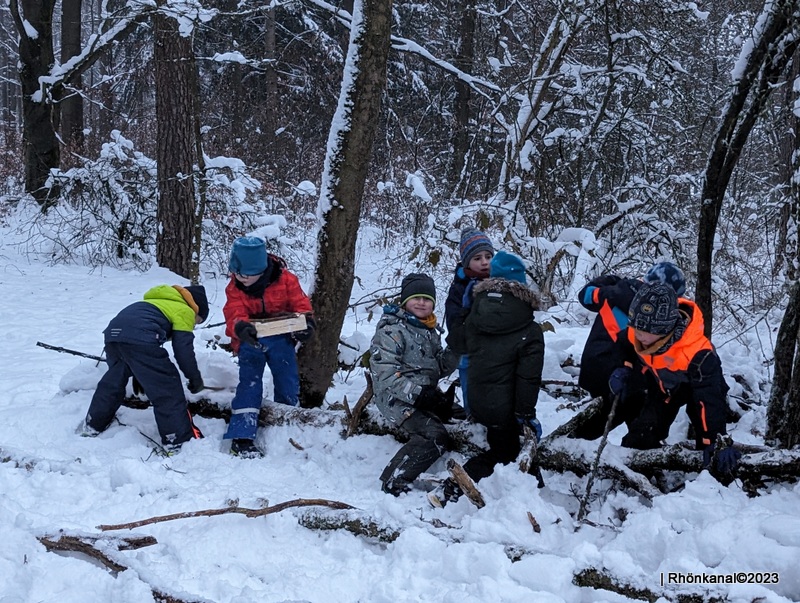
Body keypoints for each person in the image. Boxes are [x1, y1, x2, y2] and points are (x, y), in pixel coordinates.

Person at [434, 251, 545, 506]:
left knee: (512, 447)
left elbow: (457, 341)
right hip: (504, 409)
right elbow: (528, 378)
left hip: (477, 400)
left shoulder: (476, 312)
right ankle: (451, 488)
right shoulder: (529, 329)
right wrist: (525, 415)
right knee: (504, 451)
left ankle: (535, 485)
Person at [611, 282, 740, 478]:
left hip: (700, 387)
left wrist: (715, 440)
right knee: (642, 433)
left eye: (646, 332)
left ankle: (709, 475)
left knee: (705, 432)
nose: (639, 335)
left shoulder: (698, 353)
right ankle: (640, 469)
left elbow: (709, 400)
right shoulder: (637, 331)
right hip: (665, 386)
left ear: (665, 329)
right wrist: (624, 368)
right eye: (637, 329)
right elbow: (625, 345)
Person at [77, 284, 208, 451]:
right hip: (141, 339)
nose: (194, 325)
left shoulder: (151, 303)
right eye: (198, 321)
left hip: (112, 336)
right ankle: (177, 440)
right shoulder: (184, 310)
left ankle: (94, 424)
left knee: (112, 383)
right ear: (196, 309)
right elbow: (183, 351)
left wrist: (141, 373)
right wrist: (194, 377)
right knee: (167, 388)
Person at [223, 236, 315, 458]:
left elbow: (301, 306)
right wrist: (241, 328)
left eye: (246, 275)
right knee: (249, 383)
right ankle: (242, 436)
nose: (240, 278)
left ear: (260, 271)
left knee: (287, 378)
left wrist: (306, 323)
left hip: (281, 338)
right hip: (251, 340)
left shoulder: (286, 280)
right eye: (237, 273)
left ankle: (287, 422)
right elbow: (233, 312)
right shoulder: (235, 286)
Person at [573, 262, 686, 440]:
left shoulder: (614, 292)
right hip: (625, 372)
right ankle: (639, 445)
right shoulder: (660, 313)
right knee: (631, 410)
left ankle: (575, 443)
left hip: (595, 366)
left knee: (607, 413)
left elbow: (586, 295)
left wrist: (611, 280)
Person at [369, 273, 459, 496]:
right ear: (405, 301)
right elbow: (386, 374)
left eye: (427, 299)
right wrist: (420, 395)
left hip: (424, 393)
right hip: (395, 399)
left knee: (464, 418)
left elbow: (439, 367)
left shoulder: (429, 331)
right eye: (416, 298)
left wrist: (456, 348)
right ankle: (395, 478)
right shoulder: (392, 330)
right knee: (436, 435)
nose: (421, 302)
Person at [444, 227, 494, 417]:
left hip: (498, 355)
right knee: (473, 395)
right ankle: (473, 422)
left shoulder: (502, 281)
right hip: (470, 355)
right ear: (467, 261)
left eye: (488, 256)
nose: (484, 262)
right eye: (477, 258)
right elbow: (454, 321)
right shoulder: (459, 287)